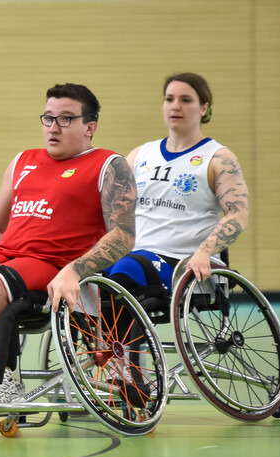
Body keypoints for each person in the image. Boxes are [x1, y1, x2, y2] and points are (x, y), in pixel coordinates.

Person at [0, 83, 137, 402]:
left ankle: (6, 379)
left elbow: (124, 235)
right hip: (9, 257)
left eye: (65, 119)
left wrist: (75, 271)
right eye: (48, 118)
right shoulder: (23, 161)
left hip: (56, 264)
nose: (53, 128)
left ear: (90, 126)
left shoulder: (109, 165)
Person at [105, 72, 249, 297]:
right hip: (135, 252)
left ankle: (125, 334)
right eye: (169, 99)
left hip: (182, 261)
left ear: (204, 108)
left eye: (186, 100)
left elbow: (238, 215)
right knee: (90, 272)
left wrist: (204, 252)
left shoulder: (218, 158)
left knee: (126, 270)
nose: (175, 106)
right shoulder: (140, 154)